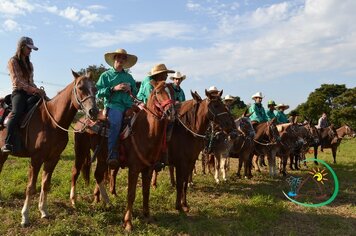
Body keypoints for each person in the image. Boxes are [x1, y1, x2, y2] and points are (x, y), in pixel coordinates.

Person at [1, 37, 45, 153]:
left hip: (30, 92)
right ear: (22, 47)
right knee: (17, 112)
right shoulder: (13, 61)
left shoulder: (30, 64)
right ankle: (8, 142)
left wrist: (38, 90)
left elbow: (31, 81)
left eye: (31, 49)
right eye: (29, 48)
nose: (30, 51)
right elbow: (17, 81)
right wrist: (33, 90)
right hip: (19, 93)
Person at [96, 48, 138, 168]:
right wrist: (113, 88)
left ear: (125, 61)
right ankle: (112, 155)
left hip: (129, 106)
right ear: (114, 59)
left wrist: (131, 89)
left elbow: (136, 92)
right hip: (113, 105)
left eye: (123, 58)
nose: (121, 60)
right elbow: (98, 92)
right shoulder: (105, 75)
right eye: (118, 57)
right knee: (116, 123)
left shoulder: (129, 77)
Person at [136, 63, 175, 170]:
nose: (166, 76)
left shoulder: (162, 85)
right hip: (143, 105)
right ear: (159, 74)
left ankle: (163, 150)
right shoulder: (150, 83)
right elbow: (152, 100)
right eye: (165, 74)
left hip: (154, 107)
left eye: (167, 74)